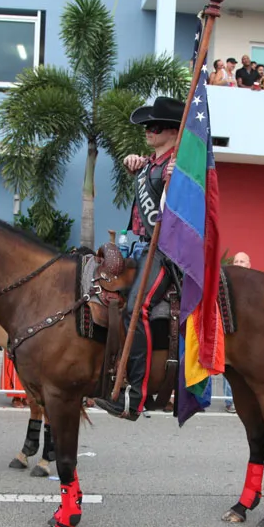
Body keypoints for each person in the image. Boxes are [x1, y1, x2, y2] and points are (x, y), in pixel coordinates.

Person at [94, 96, 182, 421]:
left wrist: (181, 179)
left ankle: (135, 397)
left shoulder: (181, 165)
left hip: (167, 250)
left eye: (154, 126)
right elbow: (143, 171)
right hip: (141, 246)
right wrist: (135, 162)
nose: (147, 131)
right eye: (146, 126)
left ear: (173, 131)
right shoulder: (150, 163)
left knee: (137, 309)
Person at [222, 252, 251, 413]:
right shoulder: (226, 284)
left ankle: (247, 400)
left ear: (249, 265)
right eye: (237, 261)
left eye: (242, 261)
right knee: (231, 367)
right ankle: (230, 401)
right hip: (231, 332)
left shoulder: (256, 284)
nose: (239, 264)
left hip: (249, 334)